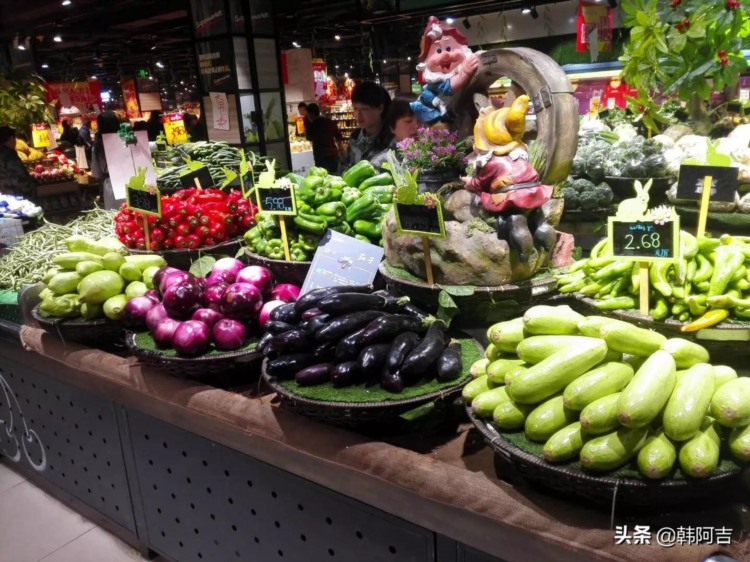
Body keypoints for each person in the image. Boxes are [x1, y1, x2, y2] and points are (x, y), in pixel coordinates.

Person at [410, 16, 479, 125]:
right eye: (438, 50)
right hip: (433, 111)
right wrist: (465, 73)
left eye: (448, 48)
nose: (445, 55)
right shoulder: (436, 80)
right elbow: (449, 88)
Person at [339, 82, 393, 172]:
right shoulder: (354, 138)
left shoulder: (391, 140)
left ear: (380, 108)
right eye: (355, 108)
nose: (358, 115)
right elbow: (342, 167)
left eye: (364, 109)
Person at [90, 111, 123, 210]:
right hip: (134, 181)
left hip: (112, 186)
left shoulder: (99, 146)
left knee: (119, 217)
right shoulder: (128, 139)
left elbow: (96, 173)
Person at [0, 126, 38, 200]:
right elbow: (19, 178)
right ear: (11, 138)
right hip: (18, 195)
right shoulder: (9, 155)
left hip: (6, 194)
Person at [305, 103, 343, 174]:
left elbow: (309, 138)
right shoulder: (329, 122)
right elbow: (339, 136)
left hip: (320, 156)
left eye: (308, 114)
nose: (307, 117)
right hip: (333, 154)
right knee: (336, 176)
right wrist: (340, 147)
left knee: (322, 177)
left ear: (311, 114)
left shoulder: (312, 126)